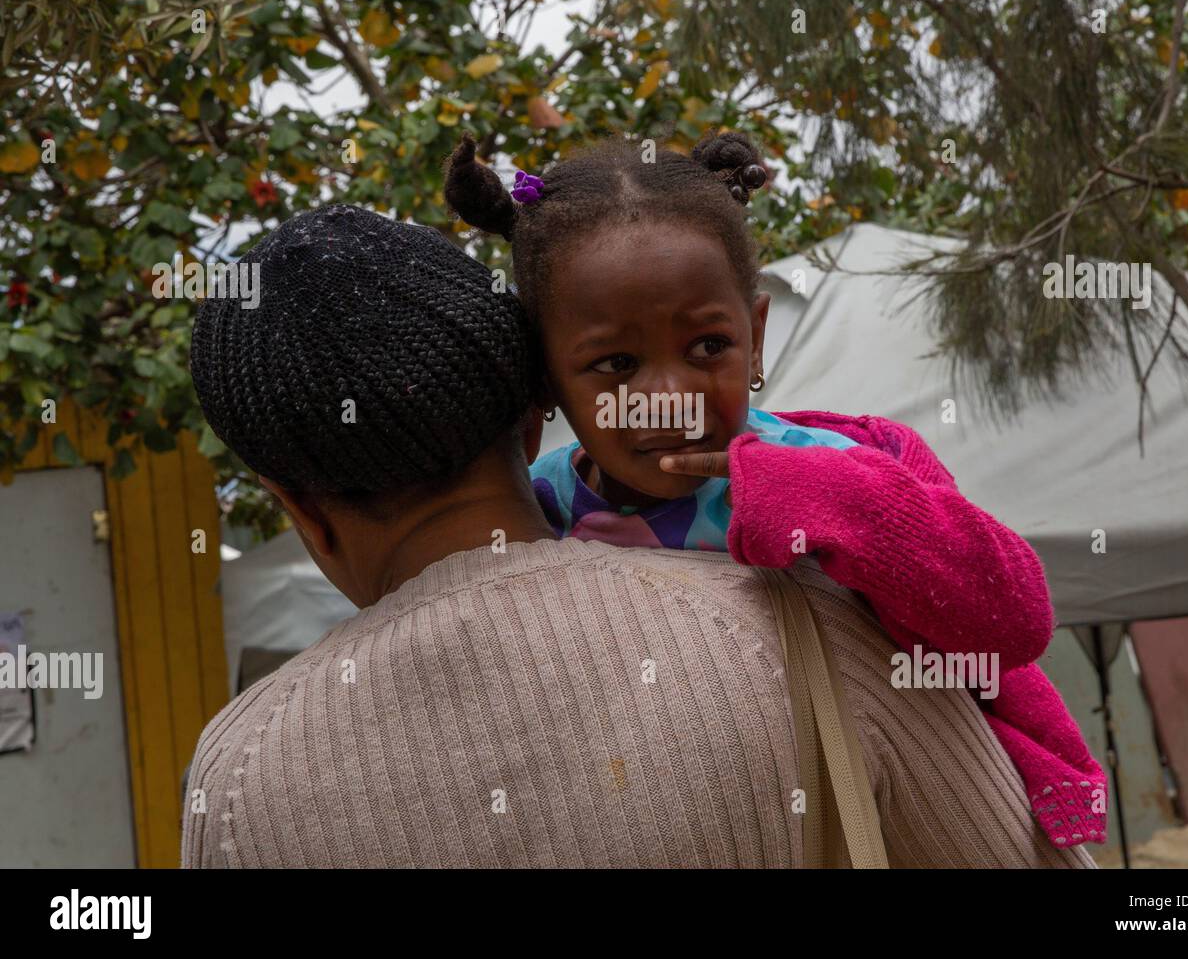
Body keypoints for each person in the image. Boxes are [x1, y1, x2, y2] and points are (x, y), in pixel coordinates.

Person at [182, 202, 1095, 868]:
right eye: (617, 364)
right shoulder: (821, 630)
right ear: (541, 409)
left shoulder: (236, 785)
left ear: (296, 507)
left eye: (706, 347)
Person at [443, 130, 1106, 848]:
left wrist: (833, 503)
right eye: (616, 361)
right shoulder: (535, 508)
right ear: (544, 377)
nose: (669, 395)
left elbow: (1014, 619)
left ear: (755, 338)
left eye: (707, 346)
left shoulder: (852, 461)